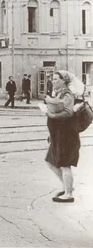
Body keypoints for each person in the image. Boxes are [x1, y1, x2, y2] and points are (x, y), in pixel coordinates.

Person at [45, 70, 80, 203]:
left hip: (66, 136)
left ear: (63, 81)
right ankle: (67, 186)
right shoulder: (58, 94)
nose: (53, 81)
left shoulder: (67, 95)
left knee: (65, 164)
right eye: (52, 79)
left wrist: (52, 115)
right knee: (50, 161)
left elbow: (68, 113)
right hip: (58, 135)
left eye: (55, 79)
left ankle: (69, 193)